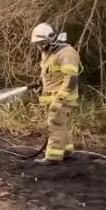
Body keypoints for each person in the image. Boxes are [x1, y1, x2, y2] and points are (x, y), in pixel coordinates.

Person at [30, 23, 81, 165]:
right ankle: (66, 150)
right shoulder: (48, 53)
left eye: (42, 43)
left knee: (55, 124)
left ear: (51, 39)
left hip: (62, 99)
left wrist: (59, 99)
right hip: (53, 98)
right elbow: (51, 75)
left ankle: (53, 157)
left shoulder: (66, 53)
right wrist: (41, 85)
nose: (40, 46)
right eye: (39, 44)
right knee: (60, 124)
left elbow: (71, 79)